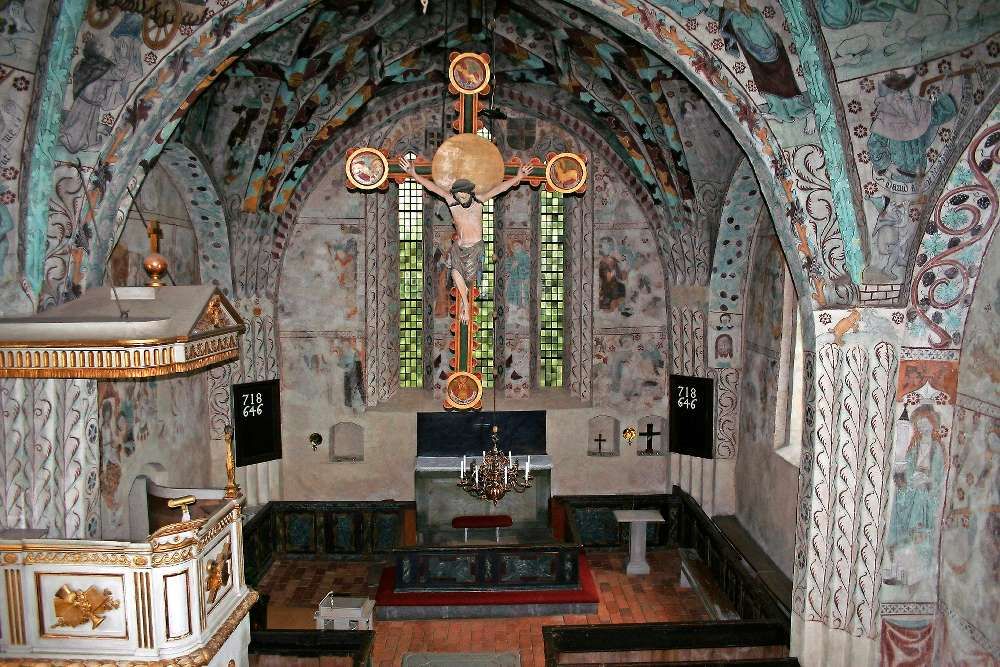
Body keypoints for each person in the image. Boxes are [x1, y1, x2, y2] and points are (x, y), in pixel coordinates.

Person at [400, 156, 533, 323]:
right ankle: (465, 304)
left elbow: (499, 189)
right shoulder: (452, 202)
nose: (461, 196)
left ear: (469, 192)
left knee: (468, 280)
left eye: (463, 193)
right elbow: (433, 188)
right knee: (455, 274)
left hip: (475, 247)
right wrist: (414, 174)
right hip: (459, 247)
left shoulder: (479, 201)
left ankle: (465, 303)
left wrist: (518, 177)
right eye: (458, 193)